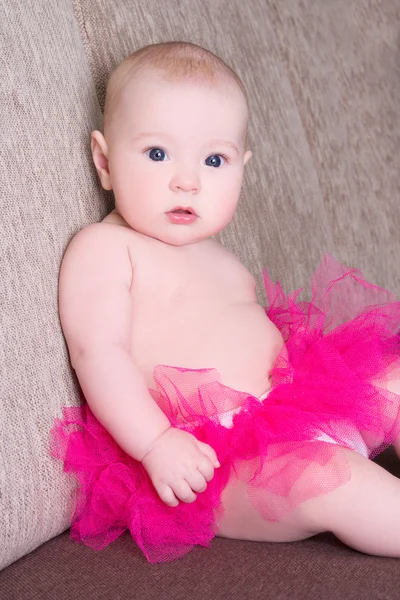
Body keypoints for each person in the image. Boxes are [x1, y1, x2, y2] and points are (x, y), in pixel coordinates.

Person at [51, 41, 400, 564]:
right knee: (336, 480)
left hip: (302, 407)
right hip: (219, 464)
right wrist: (155, 443)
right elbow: (98, 353)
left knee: (394, 376)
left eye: (214, 159)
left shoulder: (224, 259)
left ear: (242, 167)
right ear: (104, 161)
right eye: (157, 153)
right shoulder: (105, 249)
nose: (186, 180)